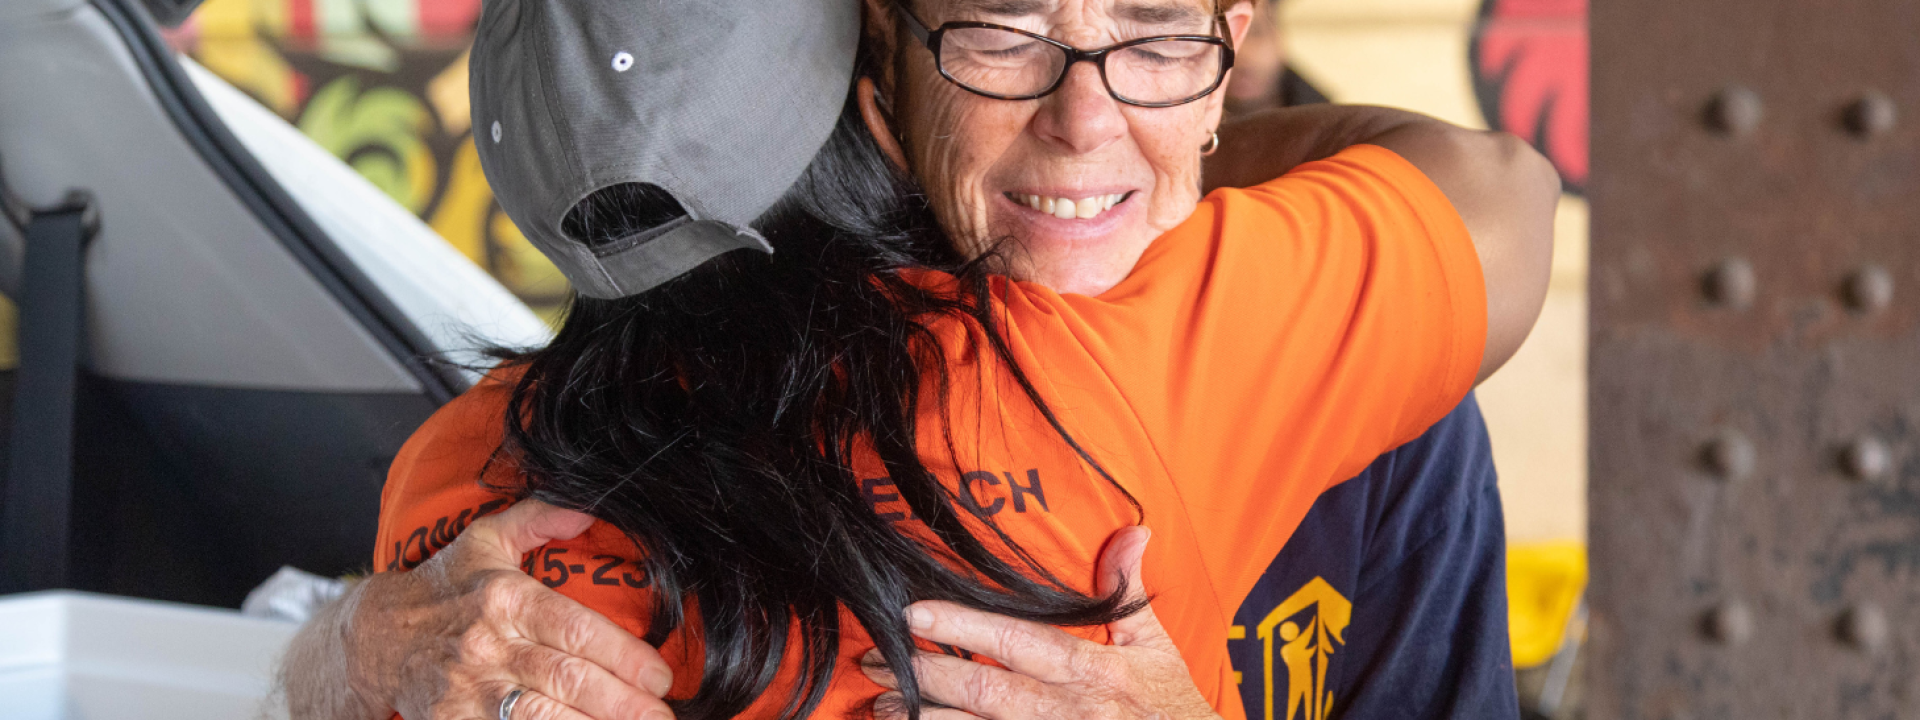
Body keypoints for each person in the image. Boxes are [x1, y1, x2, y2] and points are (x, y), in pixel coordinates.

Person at [283, 0, 1557, 718]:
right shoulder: (1147, 343)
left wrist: (341, 660)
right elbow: (1501, 186)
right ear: (877, 74)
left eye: (1157, 30)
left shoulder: (455, 488)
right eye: (1003, 30)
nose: (1084, 118)